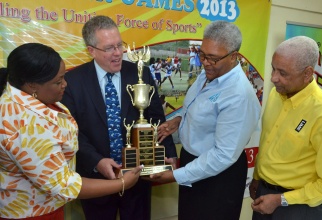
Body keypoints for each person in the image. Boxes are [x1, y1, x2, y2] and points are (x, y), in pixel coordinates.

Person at [0, 43, 142, 220]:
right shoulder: (26, 124)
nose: (65, 85)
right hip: (32, 212)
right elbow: (63, 185)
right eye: (58, 82)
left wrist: (98, 161)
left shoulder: (32, 97)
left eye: (63, 77)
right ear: (32, 85)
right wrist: (122, 184)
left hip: (45, 205)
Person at [61, 15, 177, 220]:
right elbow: (72, 132)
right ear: (91, 50)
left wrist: (168, 155)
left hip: (139, 176)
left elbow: (157, 118)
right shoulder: (72, 81)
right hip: (97, 180)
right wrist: (97, 161)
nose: (118, 53)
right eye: (109, 48)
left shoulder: (141, 73)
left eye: (120, 45)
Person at [149, 21, 261, 220]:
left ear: (234, 56)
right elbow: (202, 108)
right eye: (202, 54)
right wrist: (179, 119)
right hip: (193, 163)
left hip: (218, 176)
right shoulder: (209, 73)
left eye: (213, 58)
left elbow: (222, 156)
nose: (205, 62)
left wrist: (175, 175)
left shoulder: (238, 95)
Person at [249, 36, 322, 219]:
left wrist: (280, 199)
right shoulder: (277, 93)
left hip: (299, 207)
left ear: (307, 73)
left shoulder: (321, 112)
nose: (274, 78)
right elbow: (268, 141)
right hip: (263, 194)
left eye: (283, 73)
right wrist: (258, 177)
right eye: (273, 69)